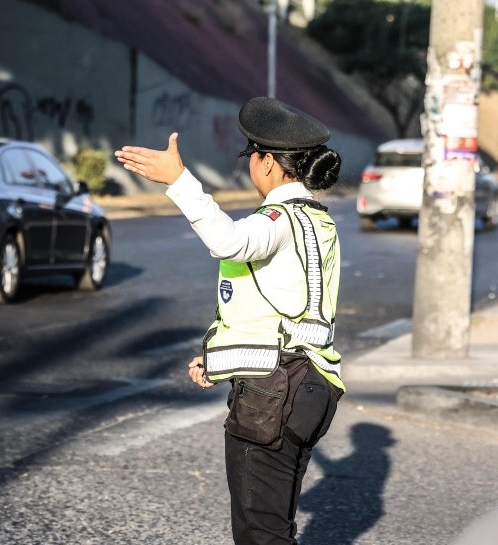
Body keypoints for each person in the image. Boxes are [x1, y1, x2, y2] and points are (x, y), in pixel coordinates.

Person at [115, 96, 345, 545]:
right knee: (274, 527)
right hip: (312, 386)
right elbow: (281, 311)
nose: (250, 167)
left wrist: (179, 181)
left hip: (274, 394)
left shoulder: (278, 219)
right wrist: (219, 359)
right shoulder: (319, 221)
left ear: (268, 163)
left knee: (261, 535)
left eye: (252, 157)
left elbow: (230, 242)